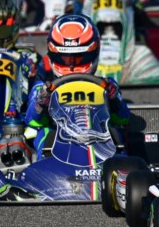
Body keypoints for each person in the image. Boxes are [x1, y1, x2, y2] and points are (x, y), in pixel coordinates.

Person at [25, 14, 131, 150]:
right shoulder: (42, 88)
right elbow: (32, 121)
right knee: (43, 133)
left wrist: (113, 99)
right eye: (65, 58)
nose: (71, 65)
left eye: (79, 58)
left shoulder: (107, 85)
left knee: (116, 132)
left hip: (99, 143)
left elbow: (123, 119)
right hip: (57, 145)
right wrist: (41, 103)